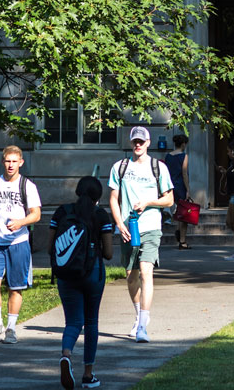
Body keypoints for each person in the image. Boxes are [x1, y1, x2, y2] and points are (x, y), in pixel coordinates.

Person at [108, 125, 173, 343]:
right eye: (135, 141)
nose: (138, 144)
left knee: (146, 271)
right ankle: (139, 315)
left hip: (151, 227)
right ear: (131, 142)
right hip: (128, 228)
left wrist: (148, 202)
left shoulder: (159, 167)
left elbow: (169, 200)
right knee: (131, 276)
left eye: (141, 141)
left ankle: (143, 325)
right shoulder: (120, 167)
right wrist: (119, 224)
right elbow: (113, 199)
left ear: (148, 143)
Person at [0, 144, 42, 343]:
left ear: (21, 163)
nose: (11, 165)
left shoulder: (28, 186)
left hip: (18, 242)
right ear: (2, 162)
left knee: (15, 287)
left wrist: (21, 222)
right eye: (7, 161)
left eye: (14, 161)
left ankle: (11, 327)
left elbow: (36, 214)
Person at [52, 176, 114, 390]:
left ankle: (66, 355)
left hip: (66, 274)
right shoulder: (101, 215)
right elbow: (108, 253)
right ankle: (88, 375)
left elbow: (52, 245)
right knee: (91, 322)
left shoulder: (62, 212)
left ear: (78, 192)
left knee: (72, 322)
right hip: (93, 273)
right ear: (99, 196)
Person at [164, 133, 192, 249]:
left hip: (170, 186)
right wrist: (188, 189)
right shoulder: (184, 156)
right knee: (184, 214)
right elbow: (184, 173)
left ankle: (178, 231)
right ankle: (182, 240)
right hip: (180, 186)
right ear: (183, 144)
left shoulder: (168, 156)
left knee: (177, 212)